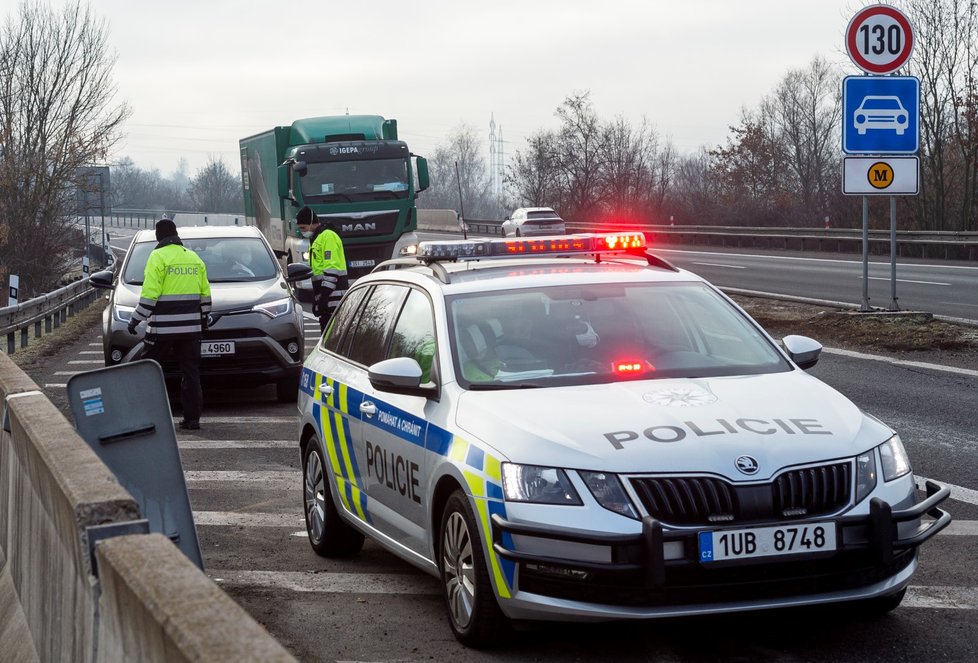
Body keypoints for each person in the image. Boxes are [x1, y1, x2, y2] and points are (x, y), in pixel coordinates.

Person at [128, 217, 212, 430]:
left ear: (159, 236)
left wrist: (135, 319)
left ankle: (147, 417)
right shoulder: (194, 258)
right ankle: (192, 419)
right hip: (191, 330)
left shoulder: (157, 257)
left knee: (147, 369)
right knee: (191, 372)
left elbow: (150, 296)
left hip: (162, 329)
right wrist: (203, 320)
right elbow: (205, 296)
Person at [305, 207, 348, 332]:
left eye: (303, 227)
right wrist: (318, 299)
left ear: (312, 223)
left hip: (334, 297)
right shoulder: (316, 239)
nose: (302, 231)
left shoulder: (328, 237)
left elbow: (332, 268)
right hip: (326, 297)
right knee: (328, 336)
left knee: (333, 336)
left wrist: (324, 296)